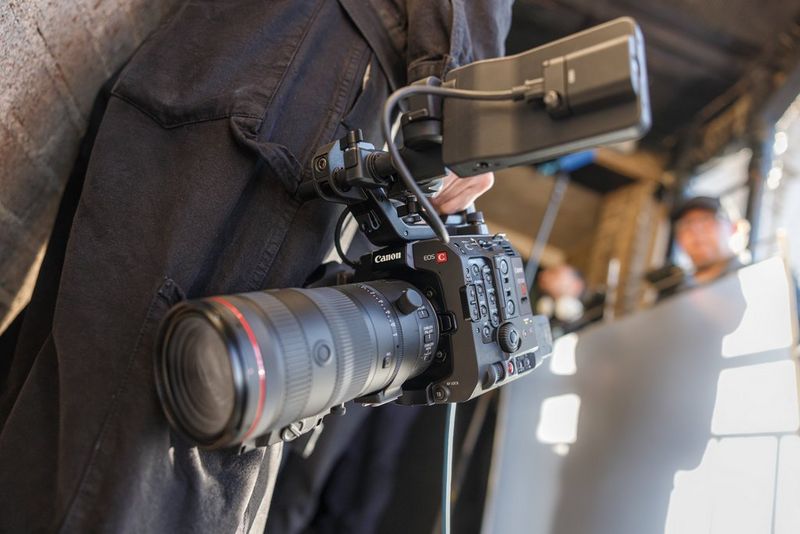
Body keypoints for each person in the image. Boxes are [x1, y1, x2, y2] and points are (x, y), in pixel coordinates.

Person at [0, 1, 510, 532]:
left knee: (66, 403)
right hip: (308, 79)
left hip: (251, 57)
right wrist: (460, 114)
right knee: (164, 443)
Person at [535, 263, 604, 337]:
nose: (543, 275)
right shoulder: (547, 310)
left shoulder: (590, 320)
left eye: (554, 274)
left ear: (576, 285)